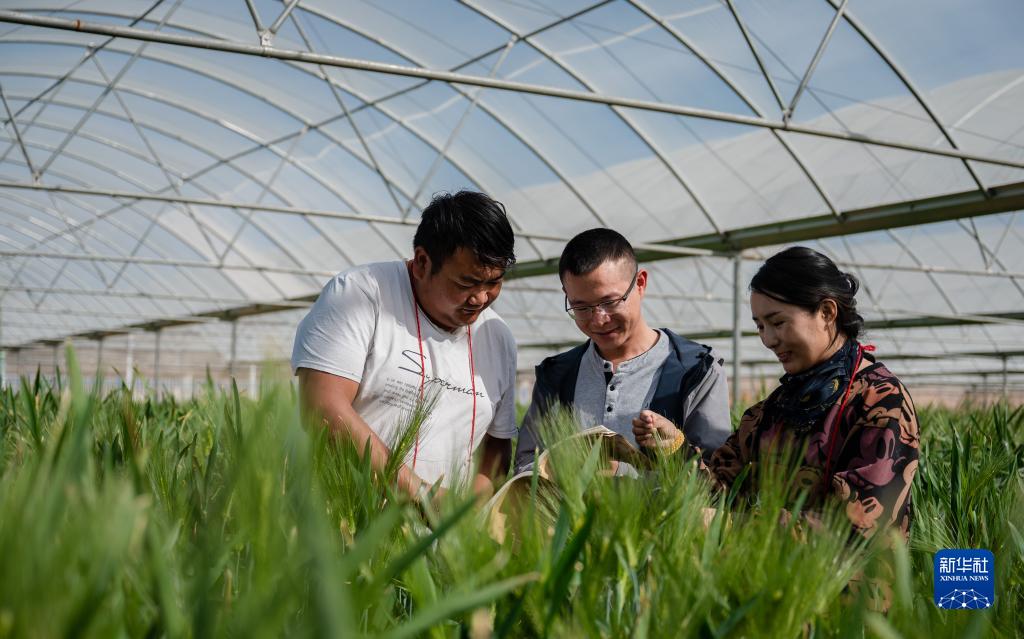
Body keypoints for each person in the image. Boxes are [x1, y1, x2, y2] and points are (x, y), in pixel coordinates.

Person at [636, 246, 919, 540]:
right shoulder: (773, 410)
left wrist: (734, 525)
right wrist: (674, 449)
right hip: (768, 583)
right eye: (760, 326)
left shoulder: (881, 401)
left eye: (778, 322)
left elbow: (859, 527)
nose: (768, 339)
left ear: (826, 312)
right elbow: (721, 493)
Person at [292, 191, 517, 502]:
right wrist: (423, 498)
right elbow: (322, 409)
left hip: (446, 539)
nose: (480, 298)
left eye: (493, 282)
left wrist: (469, 511)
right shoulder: (359, 296)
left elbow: (495, 445)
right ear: (423, 263)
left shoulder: (497, 337)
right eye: (466, 283)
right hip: (348, 524)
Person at [514, 228, 732, 476]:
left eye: (610, 302)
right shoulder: (556, 376)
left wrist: (631, 473)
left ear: (640, 284)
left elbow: (718, 478)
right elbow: (527, 469)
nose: (598, 320)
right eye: (581, 307)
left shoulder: (696, 370)